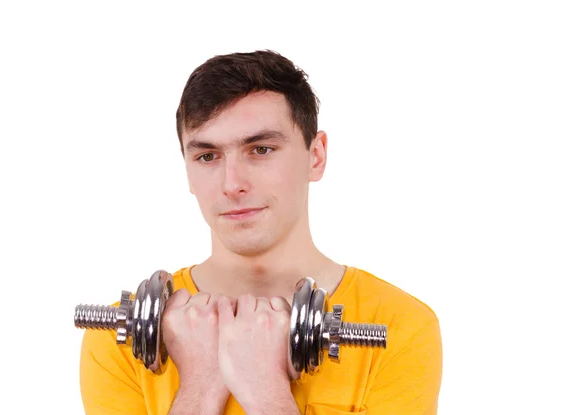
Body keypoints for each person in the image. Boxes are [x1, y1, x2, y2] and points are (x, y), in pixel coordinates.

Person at [79, 49, 443, 415]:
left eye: (261, 149)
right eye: (208, 156)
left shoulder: (401, 327)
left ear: (315, 157)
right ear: (187, 171)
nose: (232, 183)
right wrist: (201, 385)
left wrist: (267, 392)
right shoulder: (115, 343)